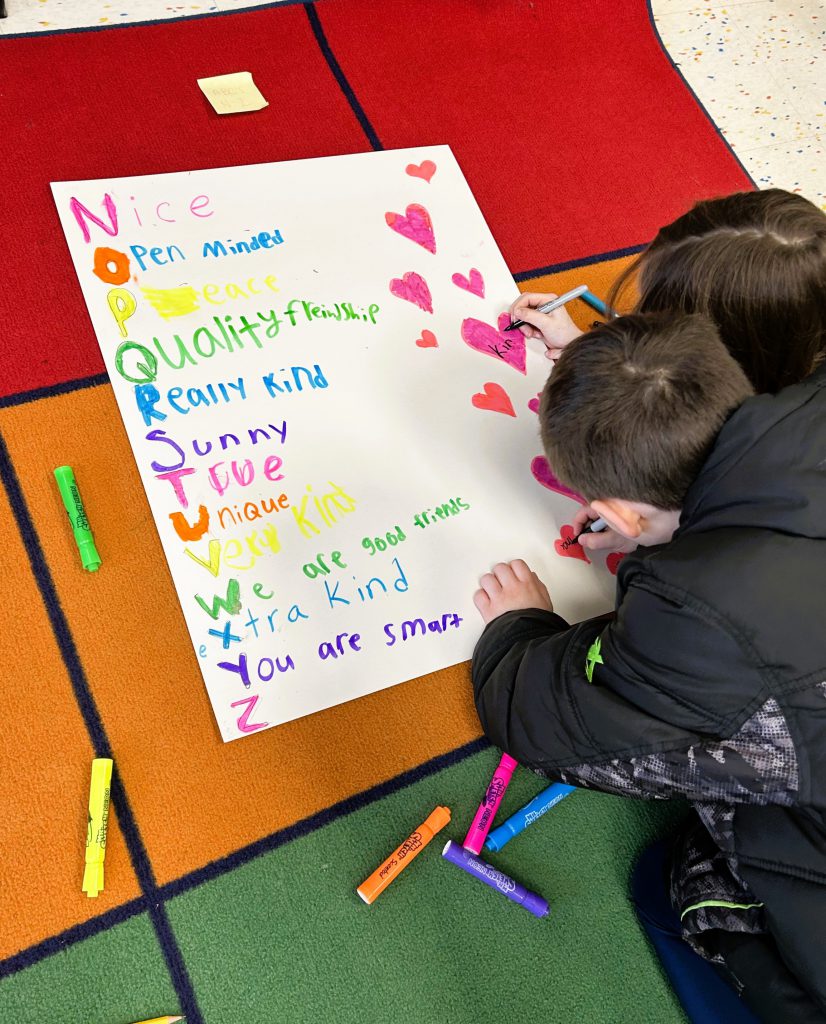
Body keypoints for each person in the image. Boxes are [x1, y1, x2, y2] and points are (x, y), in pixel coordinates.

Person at [472, 312, 826, 1023]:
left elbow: (547, 720)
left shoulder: (700, 619)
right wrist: (623, 386)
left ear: (617, 517)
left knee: (673, 882)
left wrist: (516, 630)